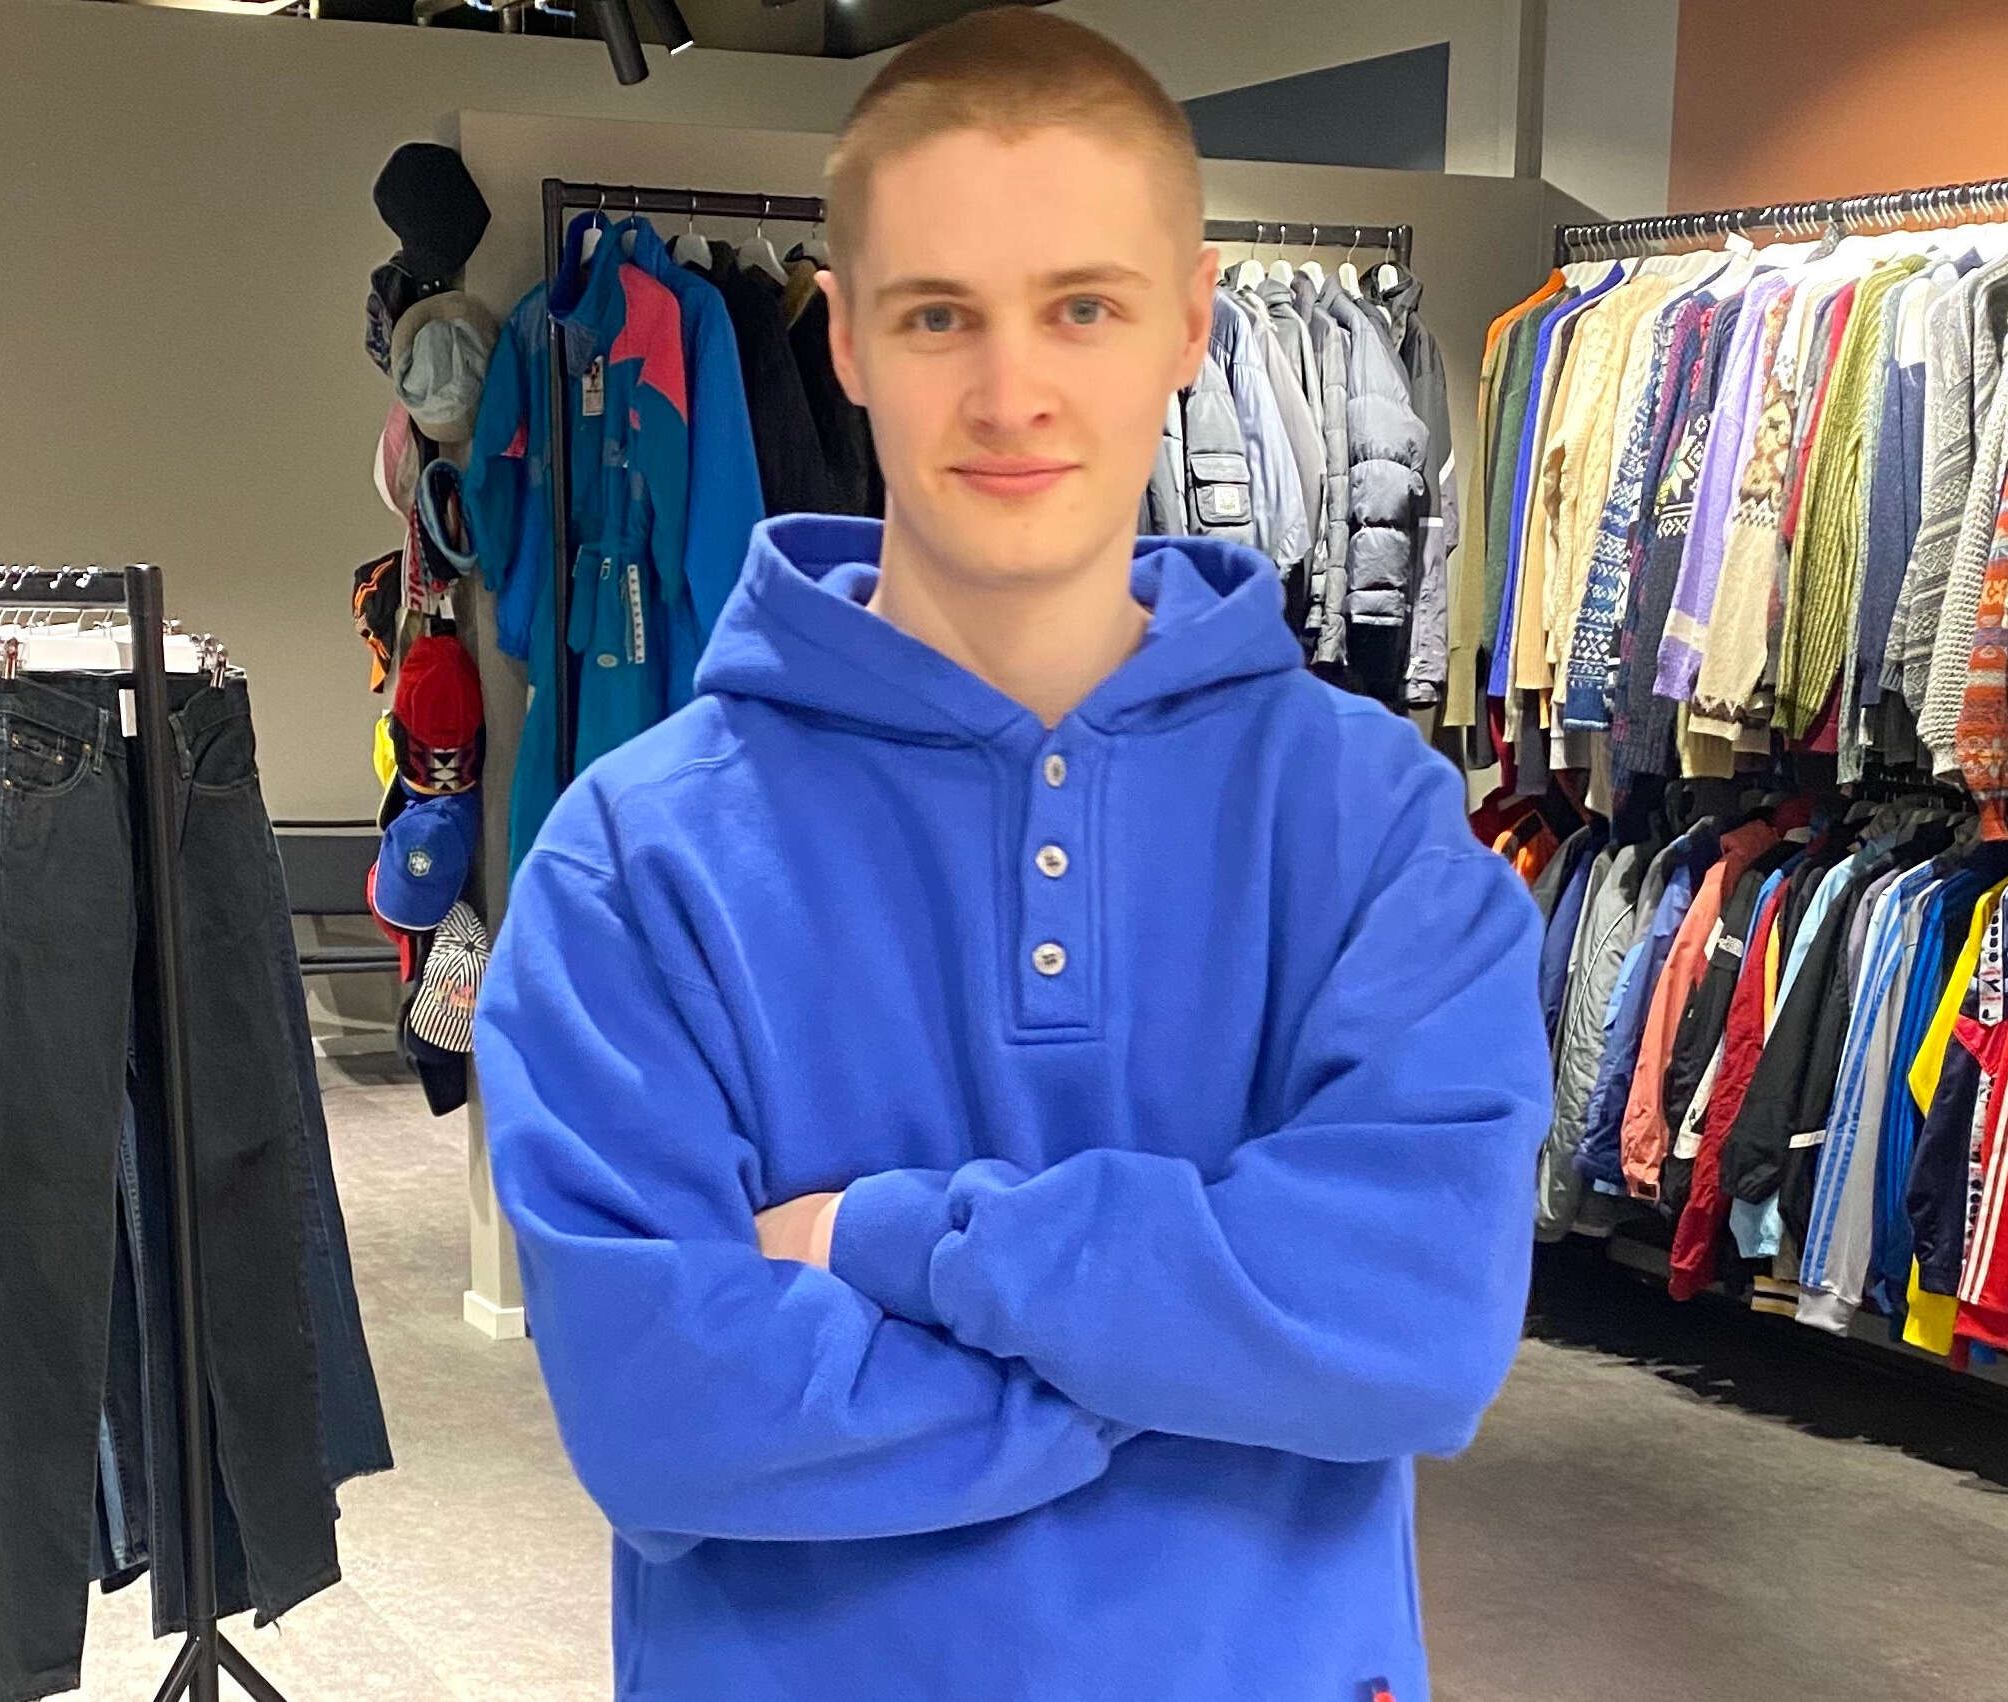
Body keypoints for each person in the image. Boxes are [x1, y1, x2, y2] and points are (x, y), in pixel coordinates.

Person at [472, 9, 1549, 1698]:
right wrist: (1201, 1354)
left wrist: (891, 1241)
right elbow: (669, 1415)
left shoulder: (1375, 827)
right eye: (938, 314)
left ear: (1189, 321)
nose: (1010, 391)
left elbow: (1414, 1326)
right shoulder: (631, 863)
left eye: (1082, 307)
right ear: (843, 337)